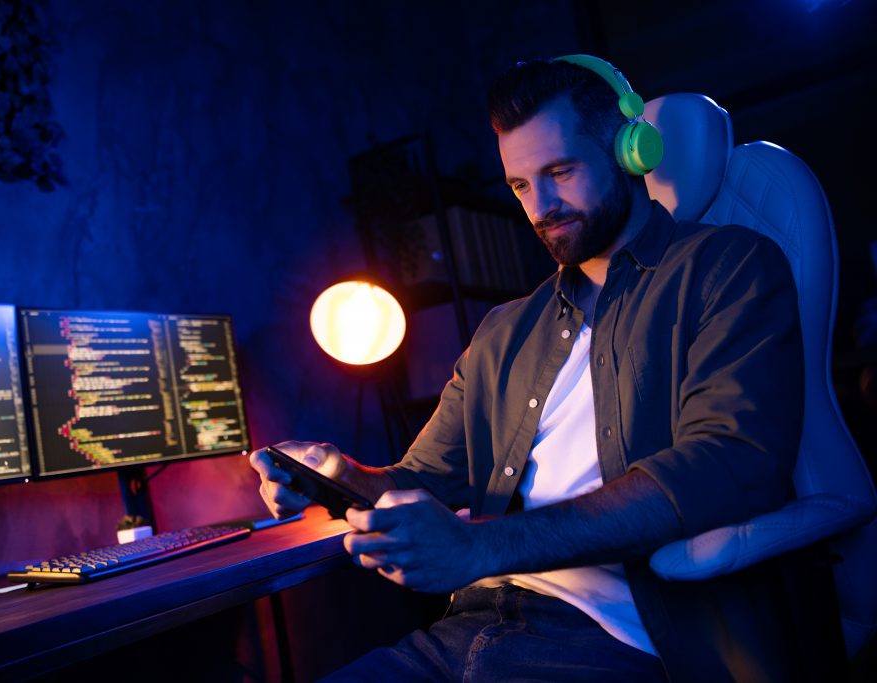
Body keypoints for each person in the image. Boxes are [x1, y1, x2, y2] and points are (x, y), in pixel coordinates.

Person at [250, 56, 821, 681]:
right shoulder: (504, 330)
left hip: (618, 640)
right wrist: (336, 476)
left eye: (560, 171)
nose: (540, 206)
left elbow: (729, 464)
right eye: (520, 185)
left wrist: (482, 545)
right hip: (467, 629)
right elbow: (421, 481)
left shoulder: (729, 268)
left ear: (632, 152)